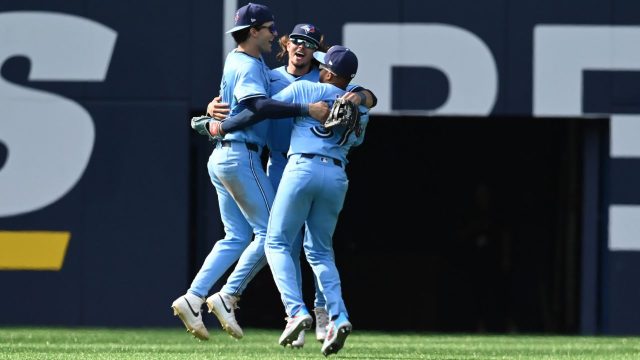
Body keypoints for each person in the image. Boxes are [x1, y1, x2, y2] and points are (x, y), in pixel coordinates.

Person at [205, 25, 376, 348]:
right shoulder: (360, 107)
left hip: (299, 168)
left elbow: (257, 110)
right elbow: (358, 130)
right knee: (320, 251)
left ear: (326, 71)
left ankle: (296, 312)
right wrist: (360, 97)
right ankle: (337, 316)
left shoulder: (304, 91)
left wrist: (215, 125)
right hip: (336, 173)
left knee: (276, 242)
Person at [170, 2, 328, 342]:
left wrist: (213, 120)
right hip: (243, 155)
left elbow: (242, 106)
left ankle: (194, 296)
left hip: (227, 155)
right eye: (270, 28)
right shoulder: (252, 66)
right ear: (254, 31)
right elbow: (257, 107)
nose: (275, 34)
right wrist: (218, 122)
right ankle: (230, 297)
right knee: (274, 235)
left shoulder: (244, 61)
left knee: (236, 237)